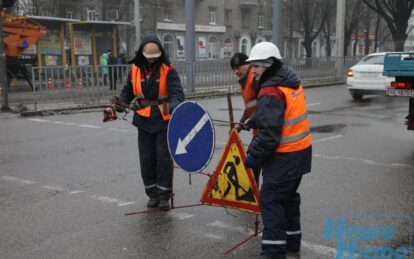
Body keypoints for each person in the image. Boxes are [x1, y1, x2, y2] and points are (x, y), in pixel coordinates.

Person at [243, 42, 312, 259]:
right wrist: (256, 119)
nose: (253, 71)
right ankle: (292, 243)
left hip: (283, 157)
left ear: (269, 64)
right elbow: (281, 116)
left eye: (257, 66)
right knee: (289, 198)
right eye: (252, 66)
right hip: (301, 153)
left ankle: (273, 251)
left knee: (271, 200)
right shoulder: (289, 81)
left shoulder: (270, 88)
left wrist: (253, 154)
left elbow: (270, 135)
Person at [115, 34, 184, 210]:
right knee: (146, 160)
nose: (152, 61)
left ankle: (163, 197)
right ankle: (152, 194)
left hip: (163, 119)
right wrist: (120, 104)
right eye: (149, 58)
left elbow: (177, 93)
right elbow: (127, 92)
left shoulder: (169, 69)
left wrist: (176, 105)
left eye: (155, 58)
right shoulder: (134, 70)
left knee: (163, 160)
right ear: (143, 56)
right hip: (143, 121)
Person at [230, 52, 260, 185]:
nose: (236, 72)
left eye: (238, 68)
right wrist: (240, 125)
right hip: (259, 130)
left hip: (266, 130)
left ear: (247, 65)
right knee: (253, 165)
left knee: (253, 163)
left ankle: (256, 198)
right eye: (234, 69)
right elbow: (250, 109)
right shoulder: (245, 81)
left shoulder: (255, 78)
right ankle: (256, 197)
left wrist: (248, 123)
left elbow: (265, 106)